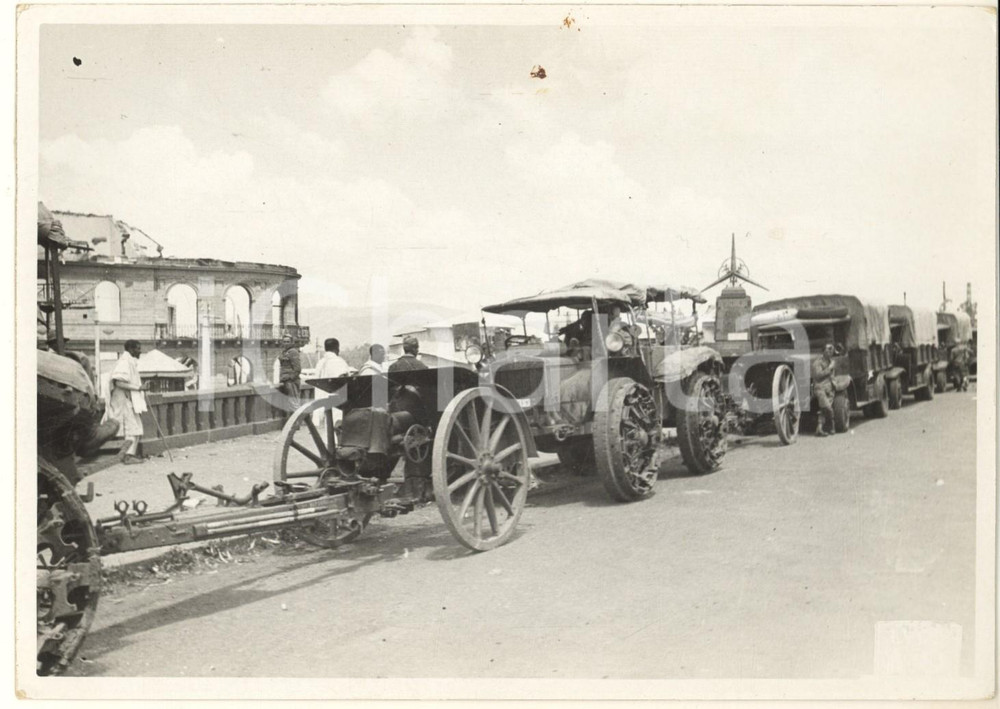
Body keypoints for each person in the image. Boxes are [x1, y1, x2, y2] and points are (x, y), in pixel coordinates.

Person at [109, 339, 148, 464]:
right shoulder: (124, 362)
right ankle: (127, 456)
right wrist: (139, 388)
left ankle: (130, 454)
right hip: (122, 400)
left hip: (128, 400)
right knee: (130, 428)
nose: (140, 351)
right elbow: (118, 382)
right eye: (138, 348)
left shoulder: (130, 362)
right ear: (131, 349)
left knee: (135, 427)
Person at [811, 343, 836, 437]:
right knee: (827, 407)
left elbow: (832, 376)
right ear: (823, 351)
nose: (831, 351)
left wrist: (834, 385)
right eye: (828, 349)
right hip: (820, 388)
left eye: (832, 349)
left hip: (830, 389)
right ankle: (832, 425)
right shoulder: (817, 363)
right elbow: (817, 376)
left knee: (823, 409)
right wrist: (829, 368)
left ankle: (819, 429)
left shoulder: (831, 361)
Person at [277, 333, 302, 408]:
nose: (286, 343)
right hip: (285, 381)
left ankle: (299, 419)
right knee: (288, 405)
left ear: (291, 342)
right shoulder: (284, 352)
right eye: (284, 341)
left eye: (288, 342)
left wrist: (289, 378)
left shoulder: (293, 352)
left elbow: (297, 369)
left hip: (291, 382)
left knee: (294, 404)